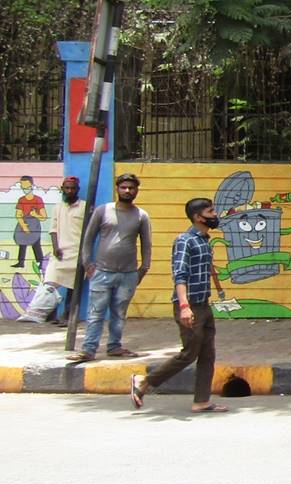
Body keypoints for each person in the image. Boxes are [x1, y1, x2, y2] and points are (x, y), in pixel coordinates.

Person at [130, 197, 227, 413]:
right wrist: (184, 306)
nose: (214, 215)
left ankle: (201, 401)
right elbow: (180, 274)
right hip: (190, 305)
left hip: (203, 303)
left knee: (207, 354)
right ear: (197, 217)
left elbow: (207, 267)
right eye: (210, 212)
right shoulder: (185, 240)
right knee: (189, 353)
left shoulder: (203, 239)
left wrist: (219, 289)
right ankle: (144, 382)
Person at [73, 172, 152, 362]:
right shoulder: (103, 210)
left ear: (136, 191)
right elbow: (88, 237)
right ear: (117, 188)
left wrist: (144, 268)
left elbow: (146, 243)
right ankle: (88, 350)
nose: (127, 190)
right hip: (101, 272)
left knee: (119, 313)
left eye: (131, 188)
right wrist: (87, 264)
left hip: (128, 274)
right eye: (123, 187)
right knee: (96, 313)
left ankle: (114, 346)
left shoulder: (141, 215)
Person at [16, 175, 84, 323]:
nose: (70, 190)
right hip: (60, 252)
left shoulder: (84, 207)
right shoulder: (58, 207)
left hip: (77, 252)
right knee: (50, 281)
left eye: (73, 188)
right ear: (62, 189)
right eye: (67, 188)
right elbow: (53, 230)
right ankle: (44, 313)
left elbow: (89, 230)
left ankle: (68, 316)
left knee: (74, 286)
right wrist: (55, 248)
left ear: (77, 190)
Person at [12, 175, 47, 270]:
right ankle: (20, 262)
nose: (25, 189)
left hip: (34, 225)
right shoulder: (21, 200)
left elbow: (44, 217)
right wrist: (23, 226)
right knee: (22, 243)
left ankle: (40, 262)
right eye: (23, 187)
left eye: (27, 187)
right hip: (24, 223)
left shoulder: (38, 199)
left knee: (36, 243)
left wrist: (35, 214)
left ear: (32, 185)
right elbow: (18, 214)